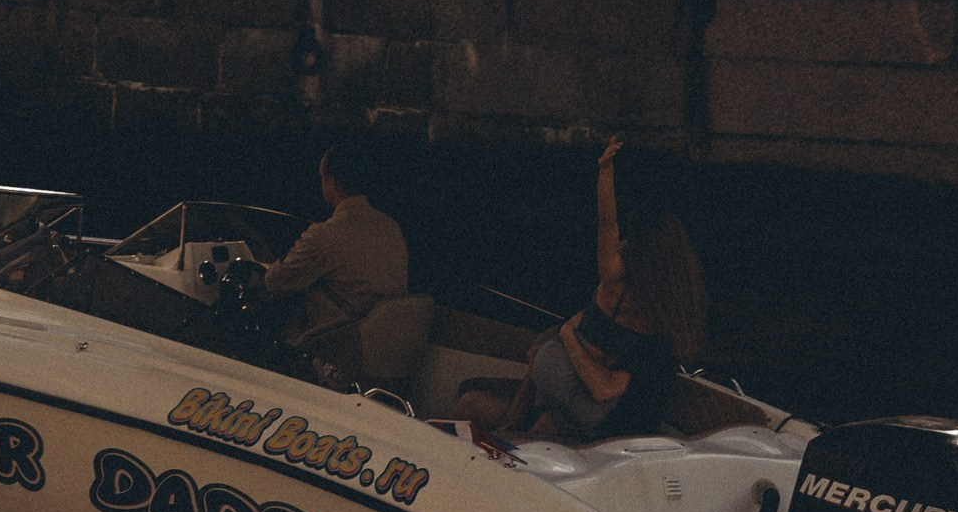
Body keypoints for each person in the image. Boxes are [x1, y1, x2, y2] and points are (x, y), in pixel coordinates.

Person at [457, 136, 706, 441]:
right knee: (472, 403)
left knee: (540, 417)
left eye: (630, 238)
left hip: (597, 430)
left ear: (642, 250)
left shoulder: (617, 285)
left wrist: (604, 172)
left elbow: (606, 222)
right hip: (575, 408)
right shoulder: (669, 317)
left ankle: (508, 433)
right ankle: (510, 424)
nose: (622, 242)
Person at [260, 142, 409, 340]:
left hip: (345, 341)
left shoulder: (325, 235)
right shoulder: (390, 226)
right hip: (390, 337)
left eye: (322, 178)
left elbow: (275, 281)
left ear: (332, 183)